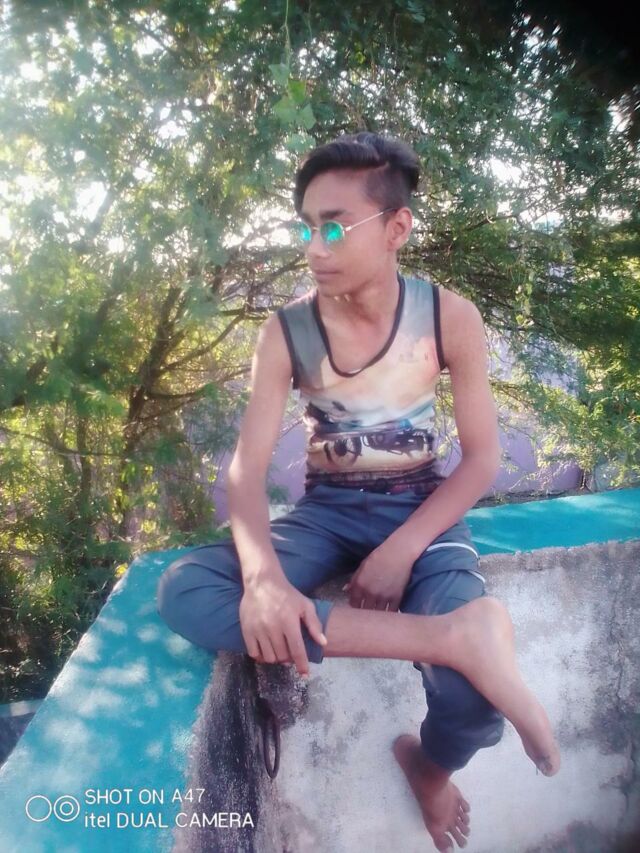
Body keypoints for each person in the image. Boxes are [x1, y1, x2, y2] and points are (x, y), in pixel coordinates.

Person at [157, 132, 560, 852]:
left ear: (397, 227)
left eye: (335, 227)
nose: (315, 247)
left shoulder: (448, 316)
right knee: (188, 590)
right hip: (327, 514)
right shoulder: (288, 332)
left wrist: (403, 548)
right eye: (306, 228)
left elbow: (480, 459)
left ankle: (429, 769)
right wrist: (264, 580)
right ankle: (453, 637)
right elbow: (246, 471)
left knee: (474, 704)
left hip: (423, 512)